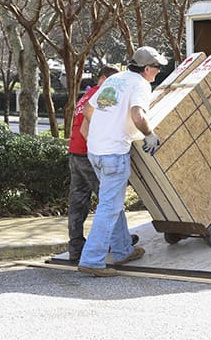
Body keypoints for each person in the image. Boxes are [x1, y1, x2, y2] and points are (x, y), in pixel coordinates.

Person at [77, 46, 167, 277]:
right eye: (157, 68)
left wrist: (105, 128)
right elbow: (138, 115)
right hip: (114, 154)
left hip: (96, 150)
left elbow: (89, 109)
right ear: (147, 68)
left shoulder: (115, 79)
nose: (158, 72)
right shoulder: (140, 85)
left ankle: (122, 250)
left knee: (112, 203)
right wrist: (150, 135)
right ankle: (92, 260)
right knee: (109, 207)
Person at [67, 65, 141, 263]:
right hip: (91, 153)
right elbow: (86, 128)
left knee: (78, 202)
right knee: (111, 203)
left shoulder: (87, 95)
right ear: (105, 78)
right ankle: (120, 246)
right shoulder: (102, 94)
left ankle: (75, 247)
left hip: (74, 153)